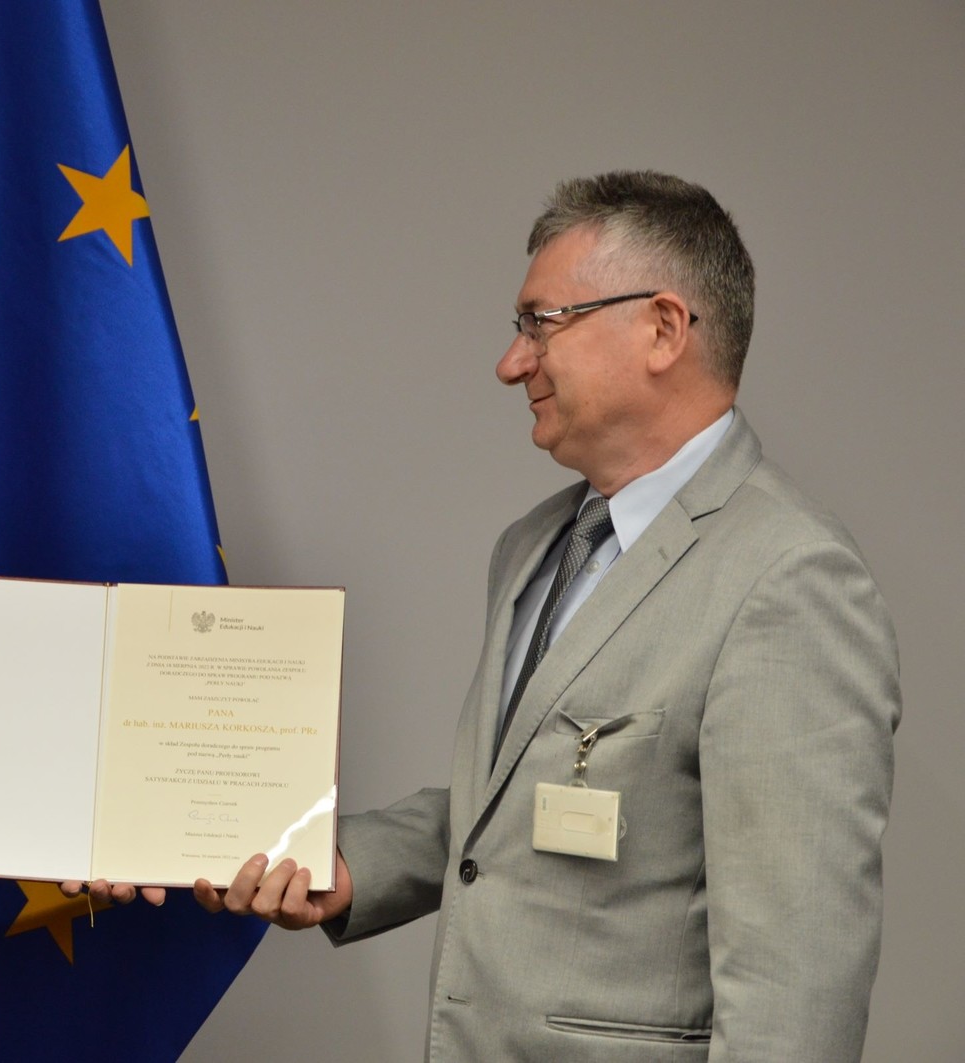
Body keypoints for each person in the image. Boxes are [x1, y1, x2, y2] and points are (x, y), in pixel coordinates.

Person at [192, 171, 901, 1061]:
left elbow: (797, 997)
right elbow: (517, 807)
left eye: (541, 322)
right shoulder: (534, 546)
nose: (512, 362)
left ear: (662, 328)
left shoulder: (790, 578)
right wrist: (346, 864)